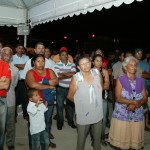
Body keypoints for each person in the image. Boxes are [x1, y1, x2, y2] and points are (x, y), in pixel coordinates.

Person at [108, 56, 148, 150]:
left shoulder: (140, 80)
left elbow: (145, 98)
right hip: (122, 115)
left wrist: (136, 105)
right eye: (131, 65)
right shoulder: (120, 79)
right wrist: (134, 102)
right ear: (125, 67)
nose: (133, 67)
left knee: (133, 143)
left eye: (135, 65)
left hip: (137, 115)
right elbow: (118, 98)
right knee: (120, 143)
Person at [67, 56, 103, 150]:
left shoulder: (97, 73)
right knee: (81, 140)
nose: (86, 65)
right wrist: (81, 105)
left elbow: (101, 87)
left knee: (97, 139)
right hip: (83, 114)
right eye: (82, 64)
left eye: (87, 62)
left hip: (97, 112)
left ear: (91, 63)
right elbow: (70, 96)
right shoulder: (76, 78)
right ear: (78, 67)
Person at [25, 54, 58, 148]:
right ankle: (33, 145)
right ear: (34, 62)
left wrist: (41, 82)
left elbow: (55, 81)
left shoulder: (49, 70)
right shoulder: (30, 73)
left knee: (47, 122)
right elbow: (32, 84)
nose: (41, 63)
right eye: (38, 61)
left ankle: (45, 142)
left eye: (42, 61)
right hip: (35, 102)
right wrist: (48, 85)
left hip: (48, 101)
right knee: (34, 123)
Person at [1, 47, 19, 150]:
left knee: (10, 123)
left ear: (11, 56)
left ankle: (10, 143)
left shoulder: (15, 70)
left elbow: (15, 84)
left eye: (9, 54)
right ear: (1, 55)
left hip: (10, 99)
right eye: (5, 54)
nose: (7, 56)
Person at [54, 48, 76, 130]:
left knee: (70, 107)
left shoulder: (72, 65)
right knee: (59, 107)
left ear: (68, 56)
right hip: (60, 89)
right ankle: (60, 123)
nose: (64, 56)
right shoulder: (56, 65)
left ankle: (71, 122)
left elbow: (74, 74)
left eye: (66, 55)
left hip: (70, 89)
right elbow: (58, 76)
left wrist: (62, 74)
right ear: (59, 57)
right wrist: (68, 74)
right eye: (62, 55)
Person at [92, 54, 110, 147]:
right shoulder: (89, 72)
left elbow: (107, 85)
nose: (99, 63)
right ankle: (94, 139)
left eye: (100, 61)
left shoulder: (105, 72)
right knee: (93, 120)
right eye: (97, 60)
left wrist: (98, 87)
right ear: (93, 62)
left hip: (103, 99)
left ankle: (102, 137)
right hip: (92, 100)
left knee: (103, 120)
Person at [12, 44, 29, 121]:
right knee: (14, 99)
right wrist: (23, 66)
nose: (20, 50)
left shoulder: (26, 57)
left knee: (25, 98)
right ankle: (14, 116)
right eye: (19, 48)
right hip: (15, 81)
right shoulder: (12, 57)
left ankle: (25, 114)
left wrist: (17, 66)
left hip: (23, 81)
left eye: (22, 48)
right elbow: (13, 67)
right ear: (16, 49)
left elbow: (27, 66)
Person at [0, 51, 11, 150]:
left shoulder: (4, 65)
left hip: (1, 100)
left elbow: (6, 85)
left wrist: (3, 82)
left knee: (0, 130)